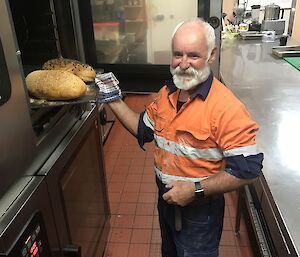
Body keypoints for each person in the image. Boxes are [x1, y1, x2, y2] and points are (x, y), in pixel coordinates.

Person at [96, 17, 264, 257]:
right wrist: (113, 99)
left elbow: (248, 170)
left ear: (211, 55)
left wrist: (194, 190)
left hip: (200, 215)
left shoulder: (227, 108)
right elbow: (143, 129)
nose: (183, 64)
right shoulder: (167, 94)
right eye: (178, 54)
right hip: (166, 203)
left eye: (193, 55)